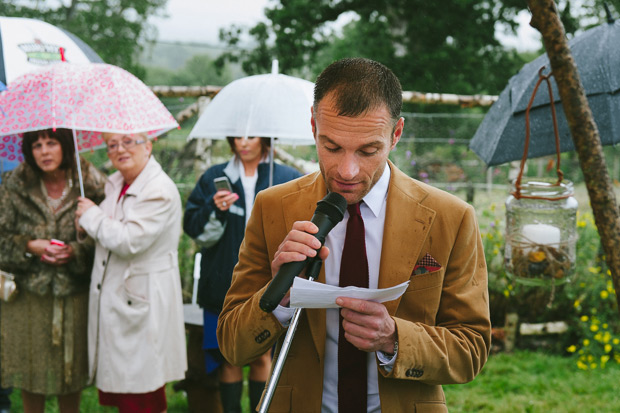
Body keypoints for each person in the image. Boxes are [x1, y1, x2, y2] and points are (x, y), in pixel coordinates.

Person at [216, 58, 491, 412]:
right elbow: (233, 346)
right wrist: (279, 295)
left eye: (368, 150)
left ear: (396, 134)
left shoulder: (451, 218)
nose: (347, 170)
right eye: (331, 147)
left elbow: (471, 350)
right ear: (313, 126)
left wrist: (394, 339)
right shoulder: (273, 207)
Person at [184, 136, 301, 413]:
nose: (243, 143)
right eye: (238, 136)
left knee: (262, 355)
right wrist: (215, 209)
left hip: (271, 283)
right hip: (222, 284)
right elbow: (196, 230)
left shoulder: (286, 177)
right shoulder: (215, 177)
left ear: (265, 138)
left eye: (251, 136)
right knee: (229, 356)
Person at [76, 132, 187, 413]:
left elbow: (128, 241)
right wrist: (86, 225)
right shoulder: (118, 183)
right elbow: (106, 229)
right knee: (128, 388)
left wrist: (91, 217)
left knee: (143, 390)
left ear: (148, 146)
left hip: (142, 298)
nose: (119, 149)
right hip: (120, 295)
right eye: (112, 145)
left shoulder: (158, 189)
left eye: (128, 142)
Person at [0, 128, 106, 412]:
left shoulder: (89, 181)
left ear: (66, 146)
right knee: (30, 372)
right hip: (27, 297)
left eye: (52, 143)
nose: (44, 152)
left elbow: (106, 238)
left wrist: (76, 250)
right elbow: (1, 238)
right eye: (37, 145)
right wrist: (29, 246)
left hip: (74, 294)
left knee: (68, 373)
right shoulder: (14, 182)